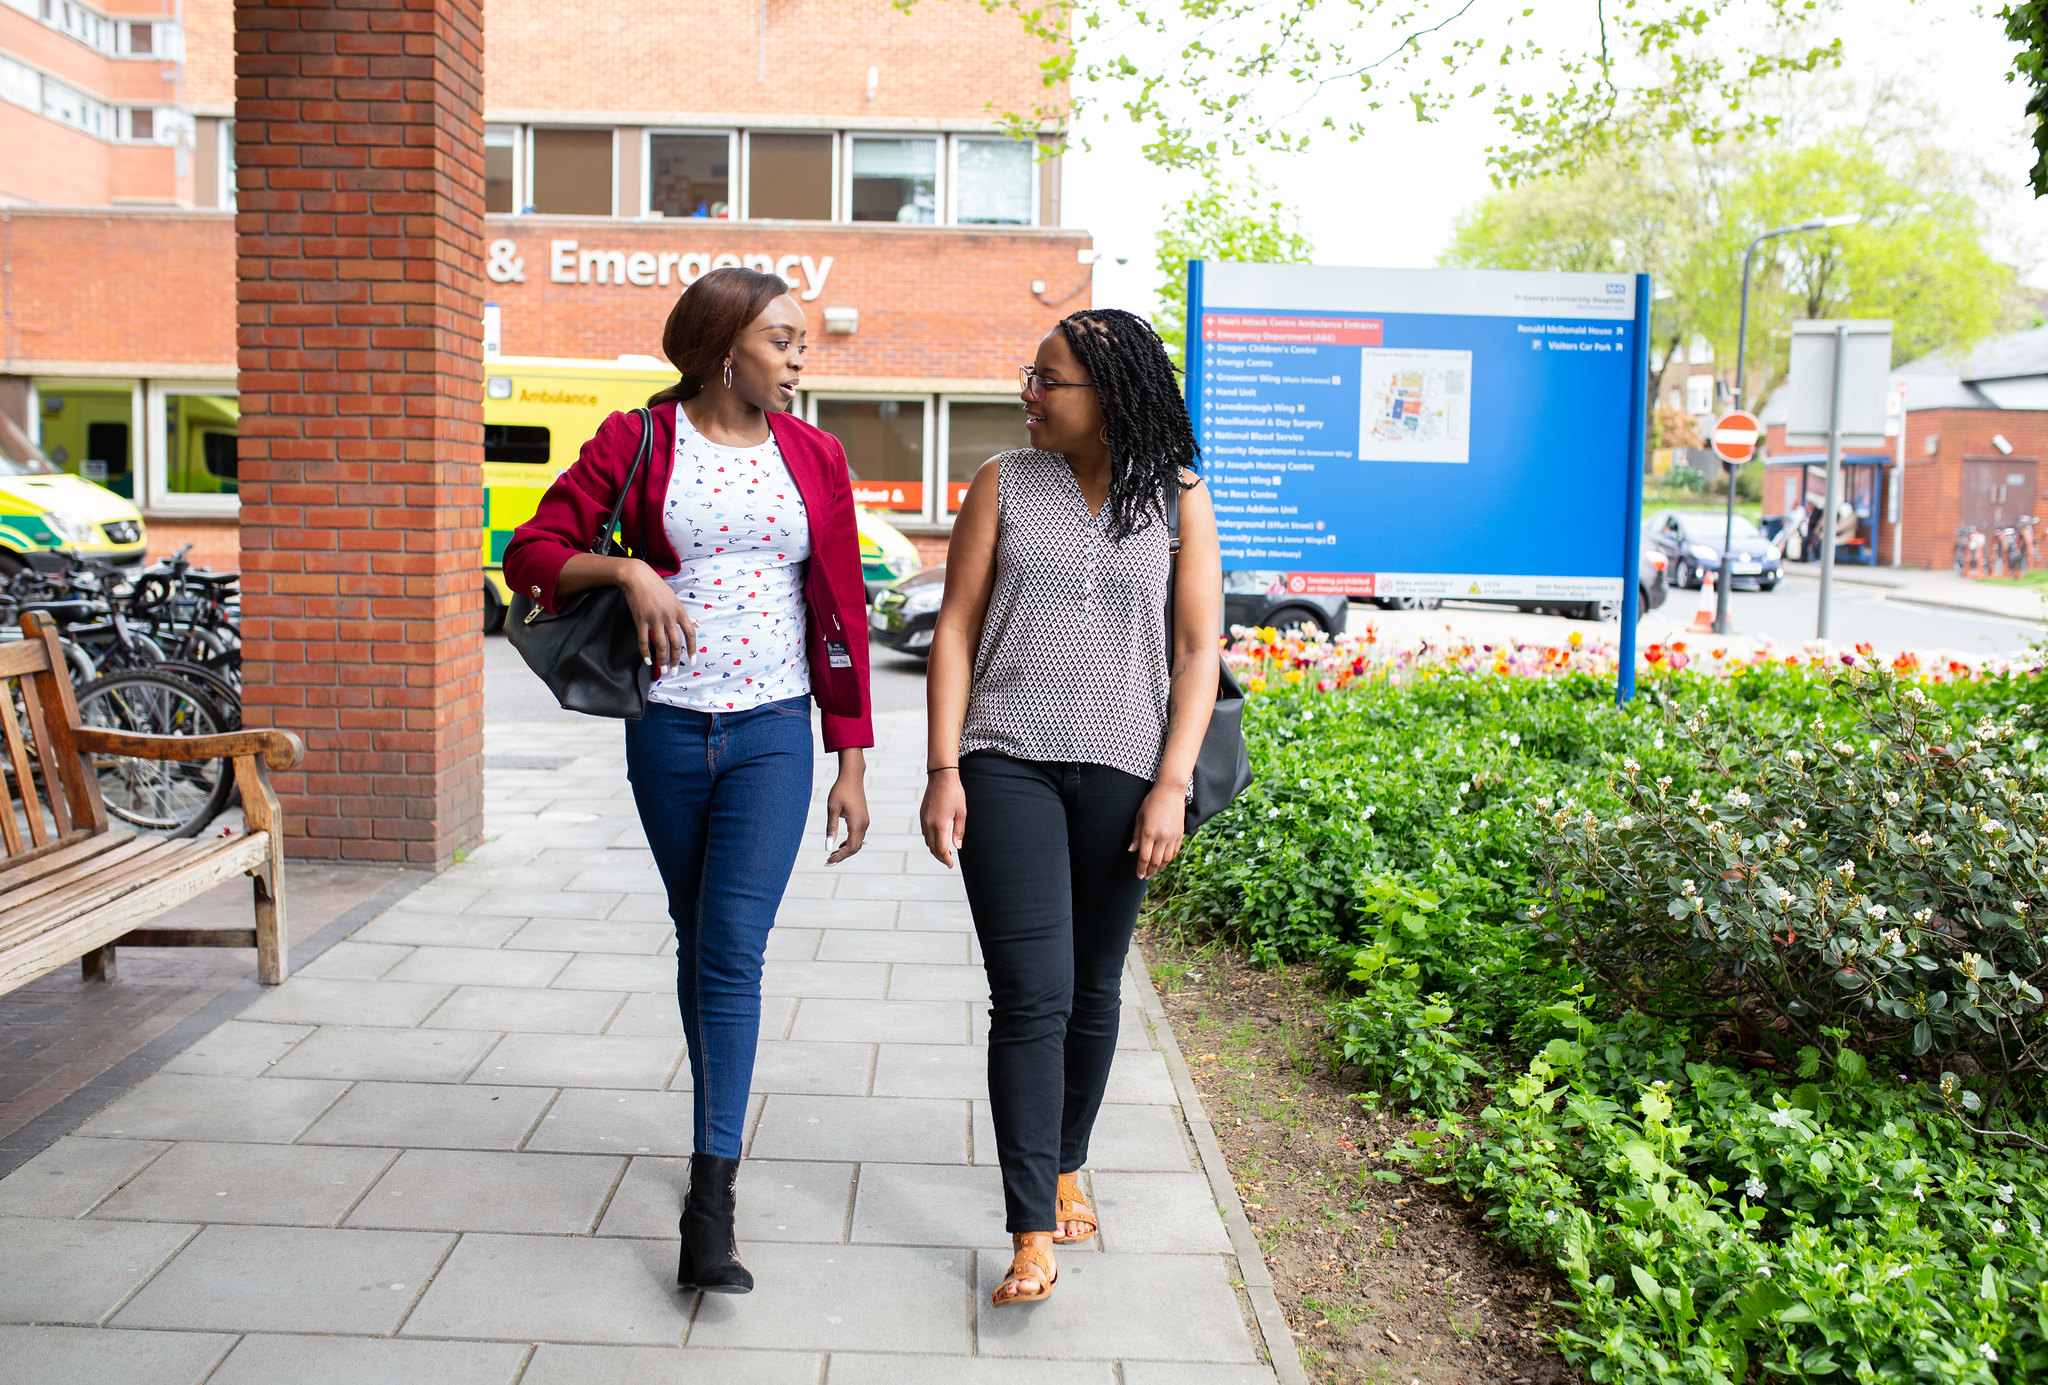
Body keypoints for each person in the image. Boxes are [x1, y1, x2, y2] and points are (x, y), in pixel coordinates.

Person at [503, 267, 873, 1296]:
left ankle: (711, 1201)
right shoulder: (636, 439)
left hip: (773, 730)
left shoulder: (815, 455)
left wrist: (849, 757)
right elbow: (530, 553)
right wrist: (626, 569)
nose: (799, 358)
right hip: (666, 729)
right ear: (722, 350)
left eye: (801, 342)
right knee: (698, 934)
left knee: (730, 948)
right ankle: (716, 1134)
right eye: (782, 340)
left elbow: (841, 605)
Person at [918, 308, 1222, 1306]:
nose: (1029, 393)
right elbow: (955, 627)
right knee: (1030, 993)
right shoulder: (1003, 483)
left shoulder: (1178, 497)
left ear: (1111, 393)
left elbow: (1197, 651)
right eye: (1031, 373)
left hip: (1128, 770)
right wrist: (943, 766)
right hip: (1005, 760)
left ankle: (1065, 1160)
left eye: (1048, 379)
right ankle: (1029, 1232)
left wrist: (1171, 784)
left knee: (1093, 987)